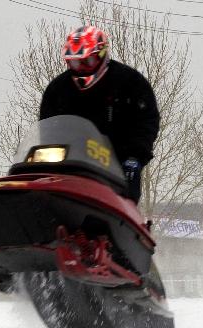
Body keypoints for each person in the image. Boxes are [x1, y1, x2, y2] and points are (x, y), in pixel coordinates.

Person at [39, 25, 160, 203]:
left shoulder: (131, 83)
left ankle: (124, 223)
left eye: (86, 62)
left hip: (119, 164)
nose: (79, 68)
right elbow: (47, 127)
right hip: (69, 164)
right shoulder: (57, 90)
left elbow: (146, 121)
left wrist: (136, 157)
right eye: (74, 62)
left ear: (101, 55)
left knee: (126, 195)